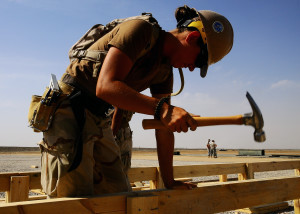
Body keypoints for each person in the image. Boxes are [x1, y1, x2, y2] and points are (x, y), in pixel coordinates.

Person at [38, 5, 234, 197]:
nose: (192, 68)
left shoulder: (164, 71)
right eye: (199, 61)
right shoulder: (140, 30)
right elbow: (106, 86)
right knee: (72, 198)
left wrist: (170, 181)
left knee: (119, 195)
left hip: (99, 116)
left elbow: (162, 127)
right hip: (70, 108)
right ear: (192, 37)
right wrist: (164, 110)